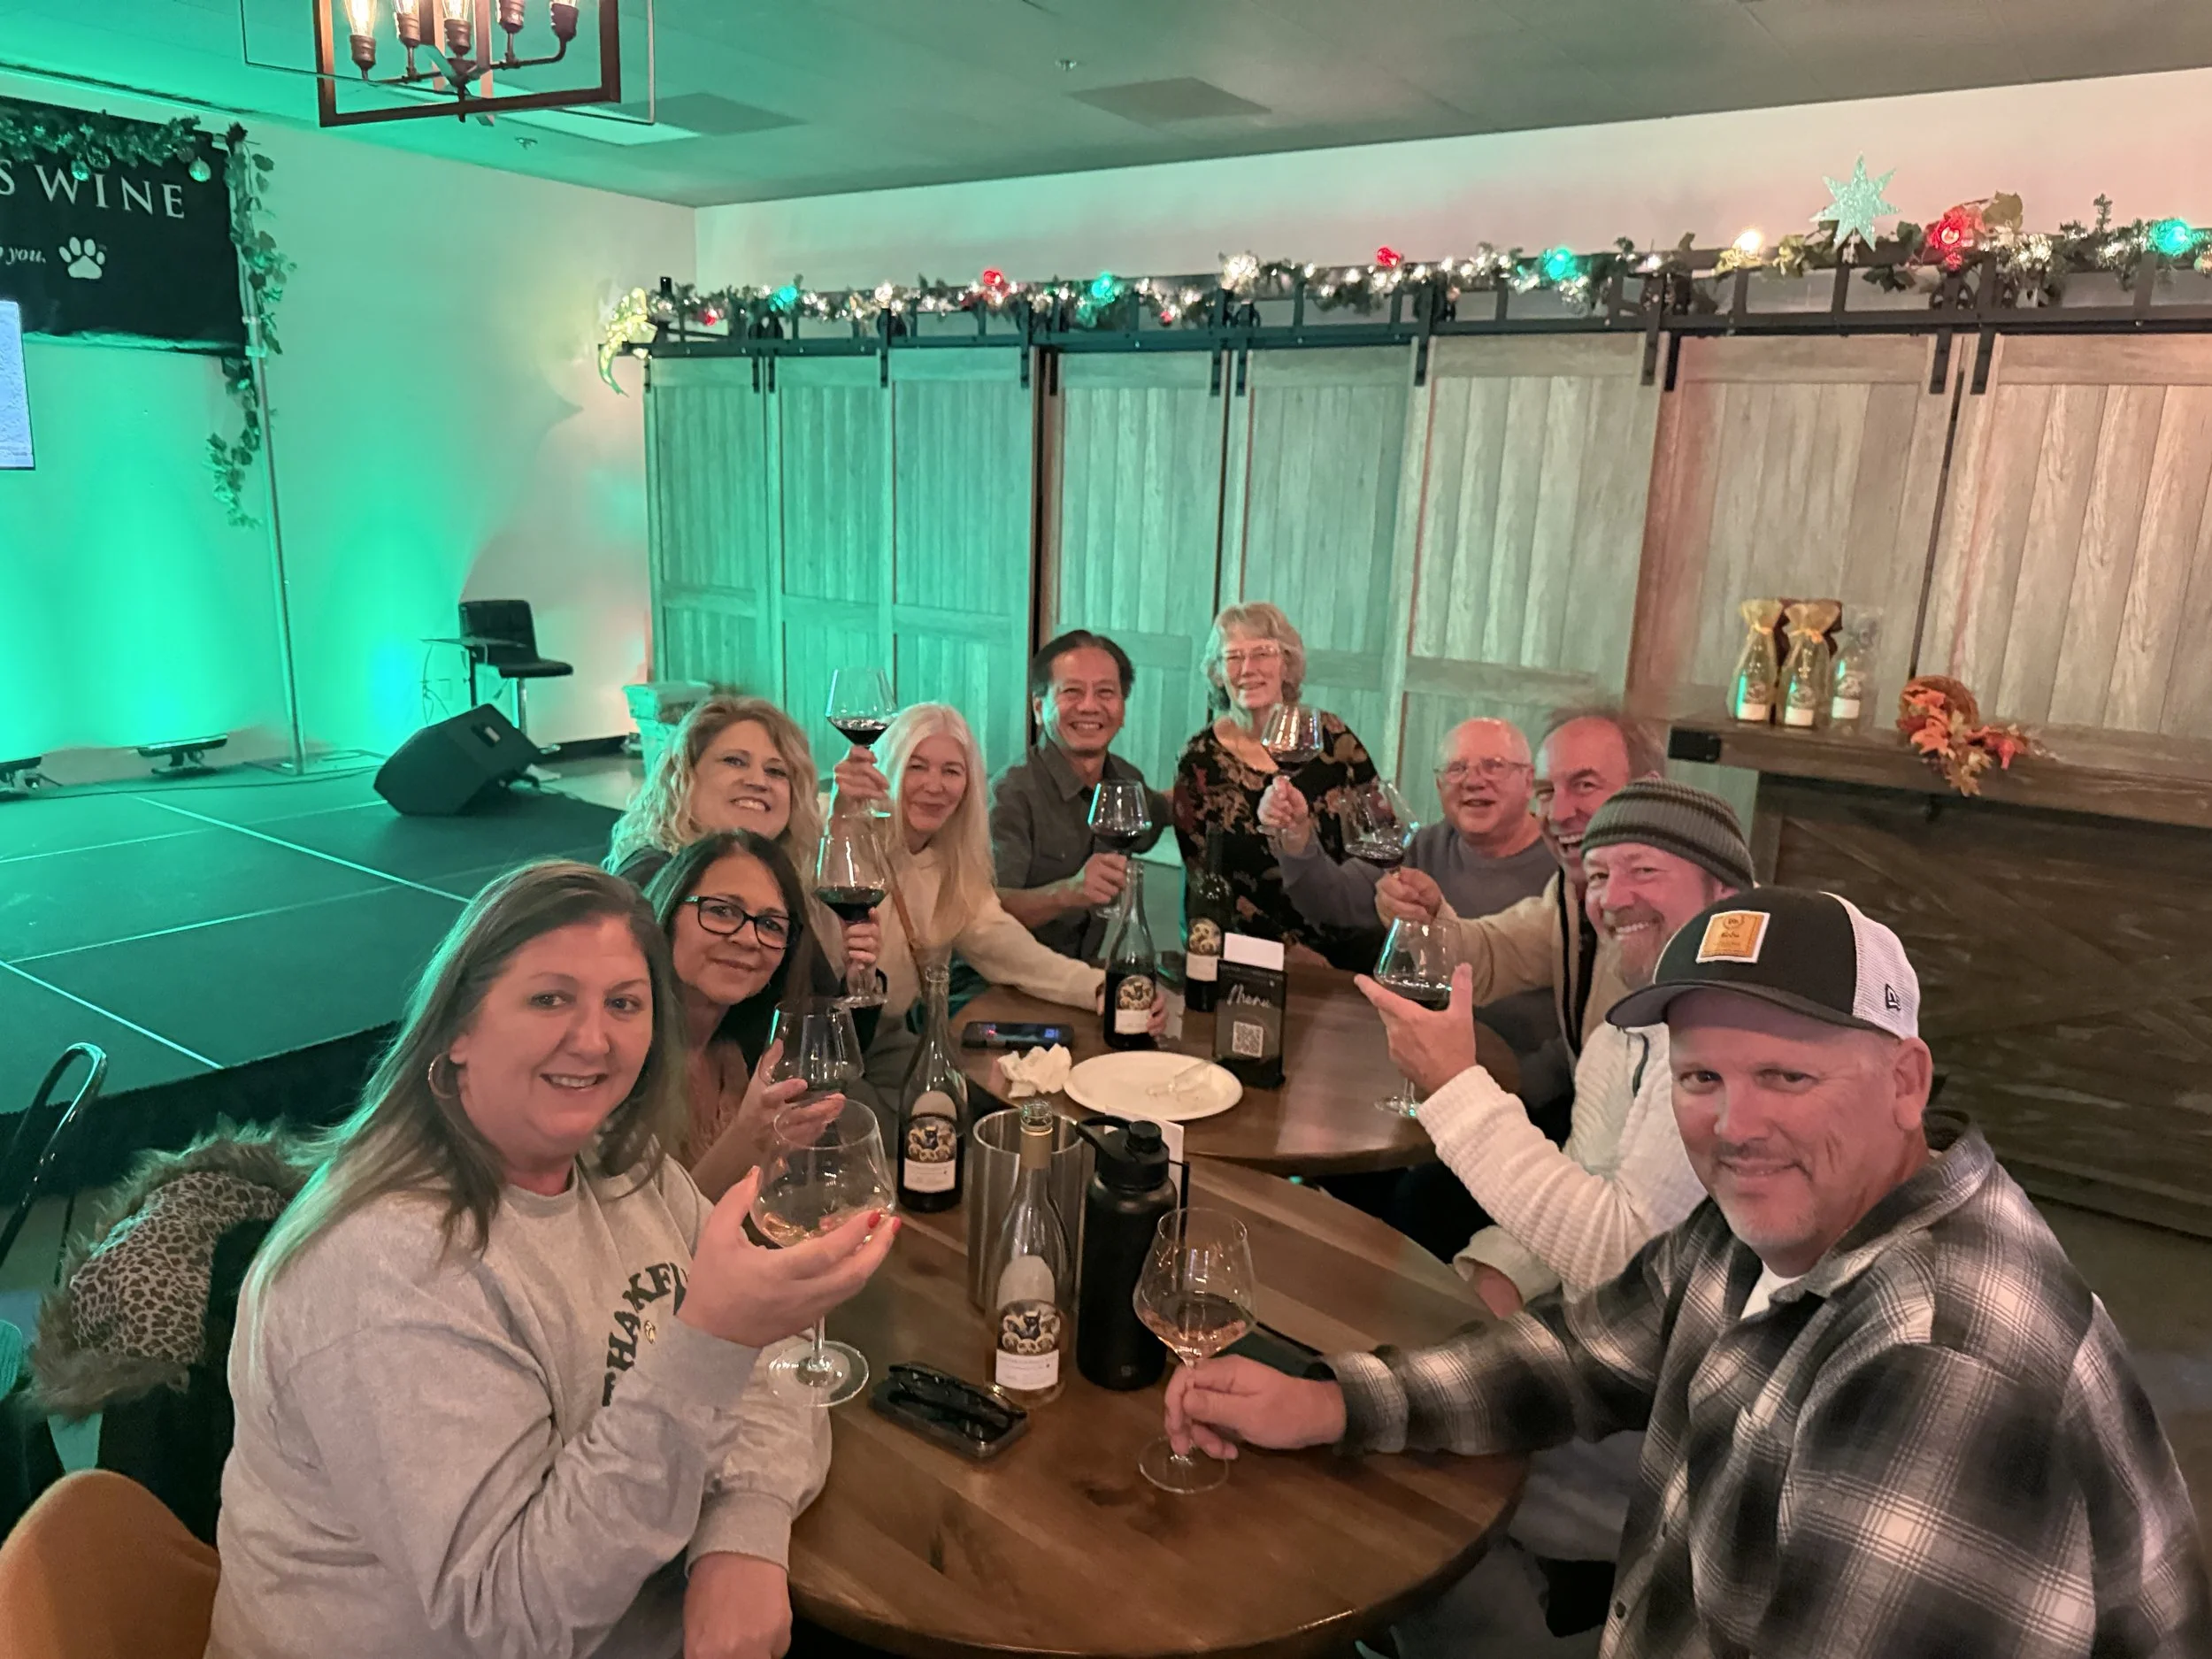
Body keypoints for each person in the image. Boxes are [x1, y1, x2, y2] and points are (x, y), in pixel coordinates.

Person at [1168, 888, 2212, 1659]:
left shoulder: (1942, 1361)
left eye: (1785, 1076)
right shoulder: (1776, 1219)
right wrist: (1332, 1404)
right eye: (1701, 1076)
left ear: (1906, 1082)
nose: (1734, 1124)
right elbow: (1583, 1354)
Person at [209, 861, 900, 1659]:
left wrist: (743, 1527)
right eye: (549, 997)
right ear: (457, 1028)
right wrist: (711, 1342)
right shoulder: (381, 1269)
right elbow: (514, 1620)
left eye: (624, 1003)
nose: (594, 1038)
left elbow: (773, 1346)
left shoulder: (614, 1161)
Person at [1358, 780, 1752, 1651]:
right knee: (1392, 1377)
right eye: (1598, 877)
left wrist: (1457, 1091)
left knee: (1406, 1479)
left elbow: (1621, 1255)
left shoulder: (1728, 1041)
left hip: (1690, 1425)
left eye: (1641, 870)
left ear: (1725, 894)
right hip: (1605, 1353)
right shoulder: (1629, 1030)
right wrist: (1481, 1288)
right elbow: (1576, 1188)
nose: (1610, 897)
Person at [831, 703, 1129, 1097]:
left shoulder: (951, 864)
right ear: (888, 767)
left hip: (885, 1042)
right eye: (917, 766)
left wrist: (1099, 987)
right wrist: (839, 820)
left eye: (951, 771)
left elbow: (1010, 950)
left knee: (971, 1109)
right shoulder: (836, 837)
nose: (934, 785)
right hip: (822, 1042)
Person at [1263, 715, 1556, 1066]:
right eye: (1457, 768)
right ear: (1438, 785)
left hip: (1520, 1082)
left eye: (1494, 766)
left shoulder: (1565, 866)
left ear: (1529, 782)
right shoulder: (1425, 846)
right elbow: (1332, 901)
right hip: (1421, 1061)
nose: (1474, 781)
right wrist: (1297, 836)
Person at [1378, 705, 1663, 1054]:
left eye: (1585, 785)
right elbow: (1494, 954)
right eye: (1546, 792)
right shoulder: (1570, 896)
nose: (1557, 813)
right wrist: (1430, 912)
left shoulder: (1697, 909)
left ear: (1648, 793)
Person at [605, 692, 881, 999]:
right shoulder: (650, 876)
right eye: (734, 761)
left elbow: (819, 1029)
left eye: (776, 771)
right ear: (684, 776)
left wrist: (859, 979)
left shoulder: (775, 888)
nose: (758, 781)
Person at [644, 830, 856, 1201]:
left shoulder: (732, 1055)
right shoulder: (621, 1064)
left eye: (771, 924)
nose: (748, 938)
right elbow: (653, 1241)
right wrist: (748, 1137)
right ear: (670, 906)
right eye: (722, 911)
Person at [1171, 602, 1379, 954]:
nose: (1248, 669)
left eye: (1263, 653)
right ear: (1218, 673)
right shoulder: (1199, 761)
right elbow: (1206, 881)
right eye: (1233, 657)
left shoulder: (1330, 735)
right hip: (1249, 950)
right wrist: (1289, 952)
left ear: (1286, 664)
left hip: (1348, 936)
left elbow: (1379, 833)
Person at [991, 629, 1171, 963]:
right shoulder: (1011, 793)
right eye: (1072, 692)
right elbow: (986, 911)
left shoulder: (1127, 781)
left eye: (1106, 692)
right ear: (1039, 707)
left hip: (1081, 971)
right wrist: (1069, 892)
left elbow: (1163, 809)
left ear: (1122, 708)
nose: (1090, 706)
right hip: (1001, 978)